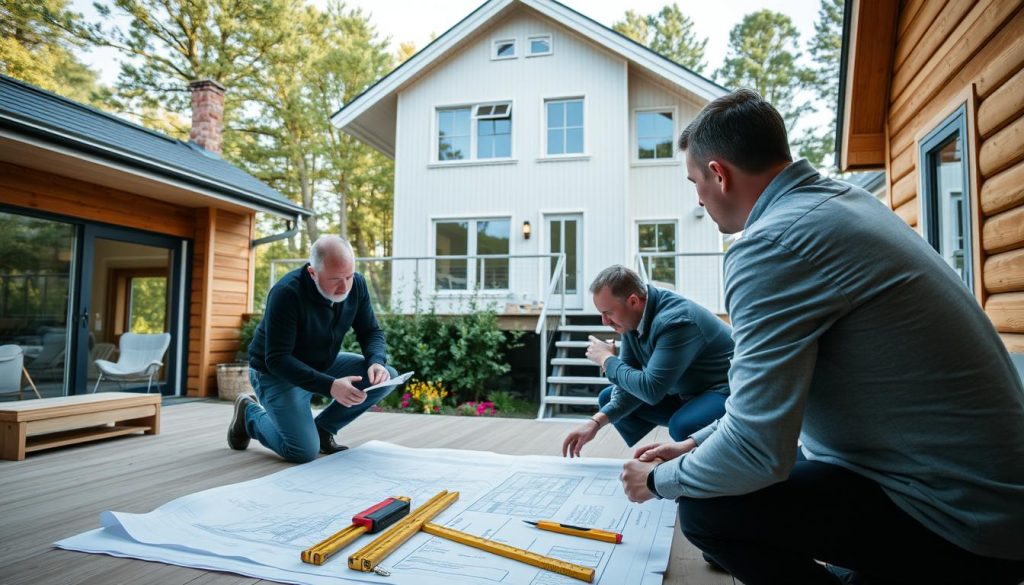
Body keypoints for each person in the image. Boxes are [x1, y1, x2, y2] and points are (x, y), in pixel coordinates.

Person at [619, 89, 1024, 584]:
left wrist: (660, 481)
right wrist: (693, 446)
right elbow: (780, 402)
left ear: (719, 174)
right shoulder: (841, 205)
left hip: (963, 522)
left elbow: (757, 451)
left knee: (707, 512)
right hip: (984, 493)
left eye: (695, 182)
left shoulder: (772, 245)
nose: (698, 200)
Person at [227, 235, 398, 463]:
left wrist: (376, 361)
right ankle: (249, 415)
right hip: (276, 373)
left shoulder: (356, 284)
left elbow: (371, 332)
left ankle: (323, 429)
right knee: (302, 451)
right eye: (336, 279)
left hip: (321, 364)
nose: (345, 287)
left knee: (387, 377)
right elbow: (277, 359)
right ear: (312, 272)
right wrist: (330, 386)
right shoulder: (286, 293)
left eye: (349, 276)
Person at [562, 265, 733, 458]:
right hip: (686, 391)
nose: (604, 322)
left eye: (608, 313)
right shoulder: (630, 321)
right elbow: (629, 386)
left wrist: (606, 359)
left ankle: (704, 467)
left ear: (633, 301)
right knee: (608, 398)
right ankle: (689, 436)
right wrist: (595, 422)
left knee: (683, 424)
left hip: (725, 391)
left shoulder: (676, 321)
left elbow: (651, 390)